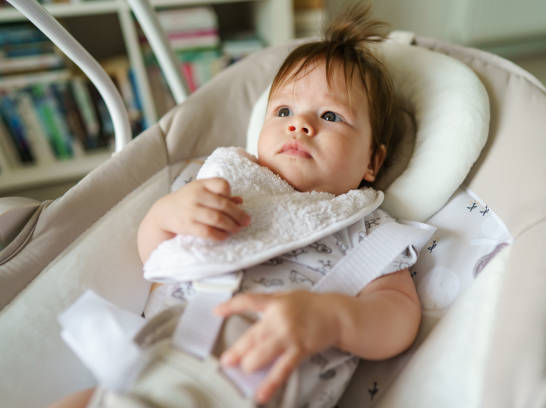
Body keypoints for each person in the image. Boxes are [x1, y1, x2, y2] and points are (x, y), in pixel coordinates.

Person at [52, 3, 423, 408]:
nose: (300, 125)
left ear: (372, 161)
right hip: (154, 364)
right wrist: (168, 214)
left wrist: (332, 318)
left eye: (331, 116)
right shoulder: (224, 183)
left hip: (255, 384)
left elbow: (399, 316)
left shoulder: (365, 228)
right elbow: (158, 258)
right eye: (283, 111)